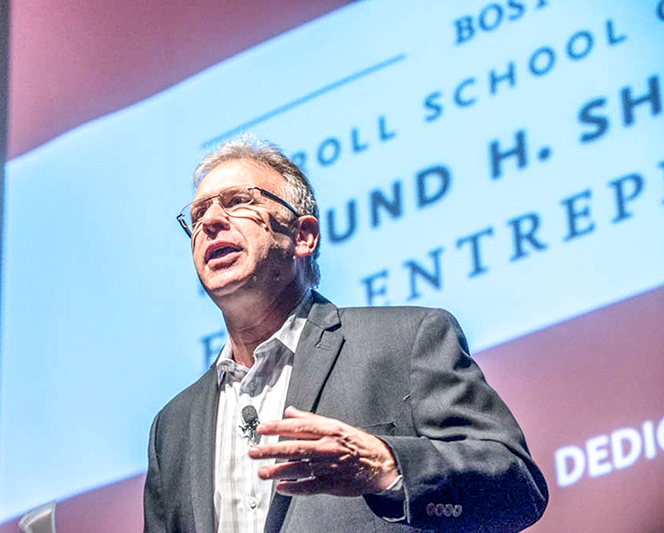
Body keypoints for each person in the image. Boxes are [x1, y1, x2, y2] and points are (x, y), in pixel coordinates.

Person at [143, 136, 548, 533]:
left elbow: (518, 490)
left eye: (239, 202)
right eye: (198, 215)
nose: (210, 222)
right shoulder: (173, 426)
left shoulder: (406, 341)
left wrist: (385, 466)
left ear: (303, 236)